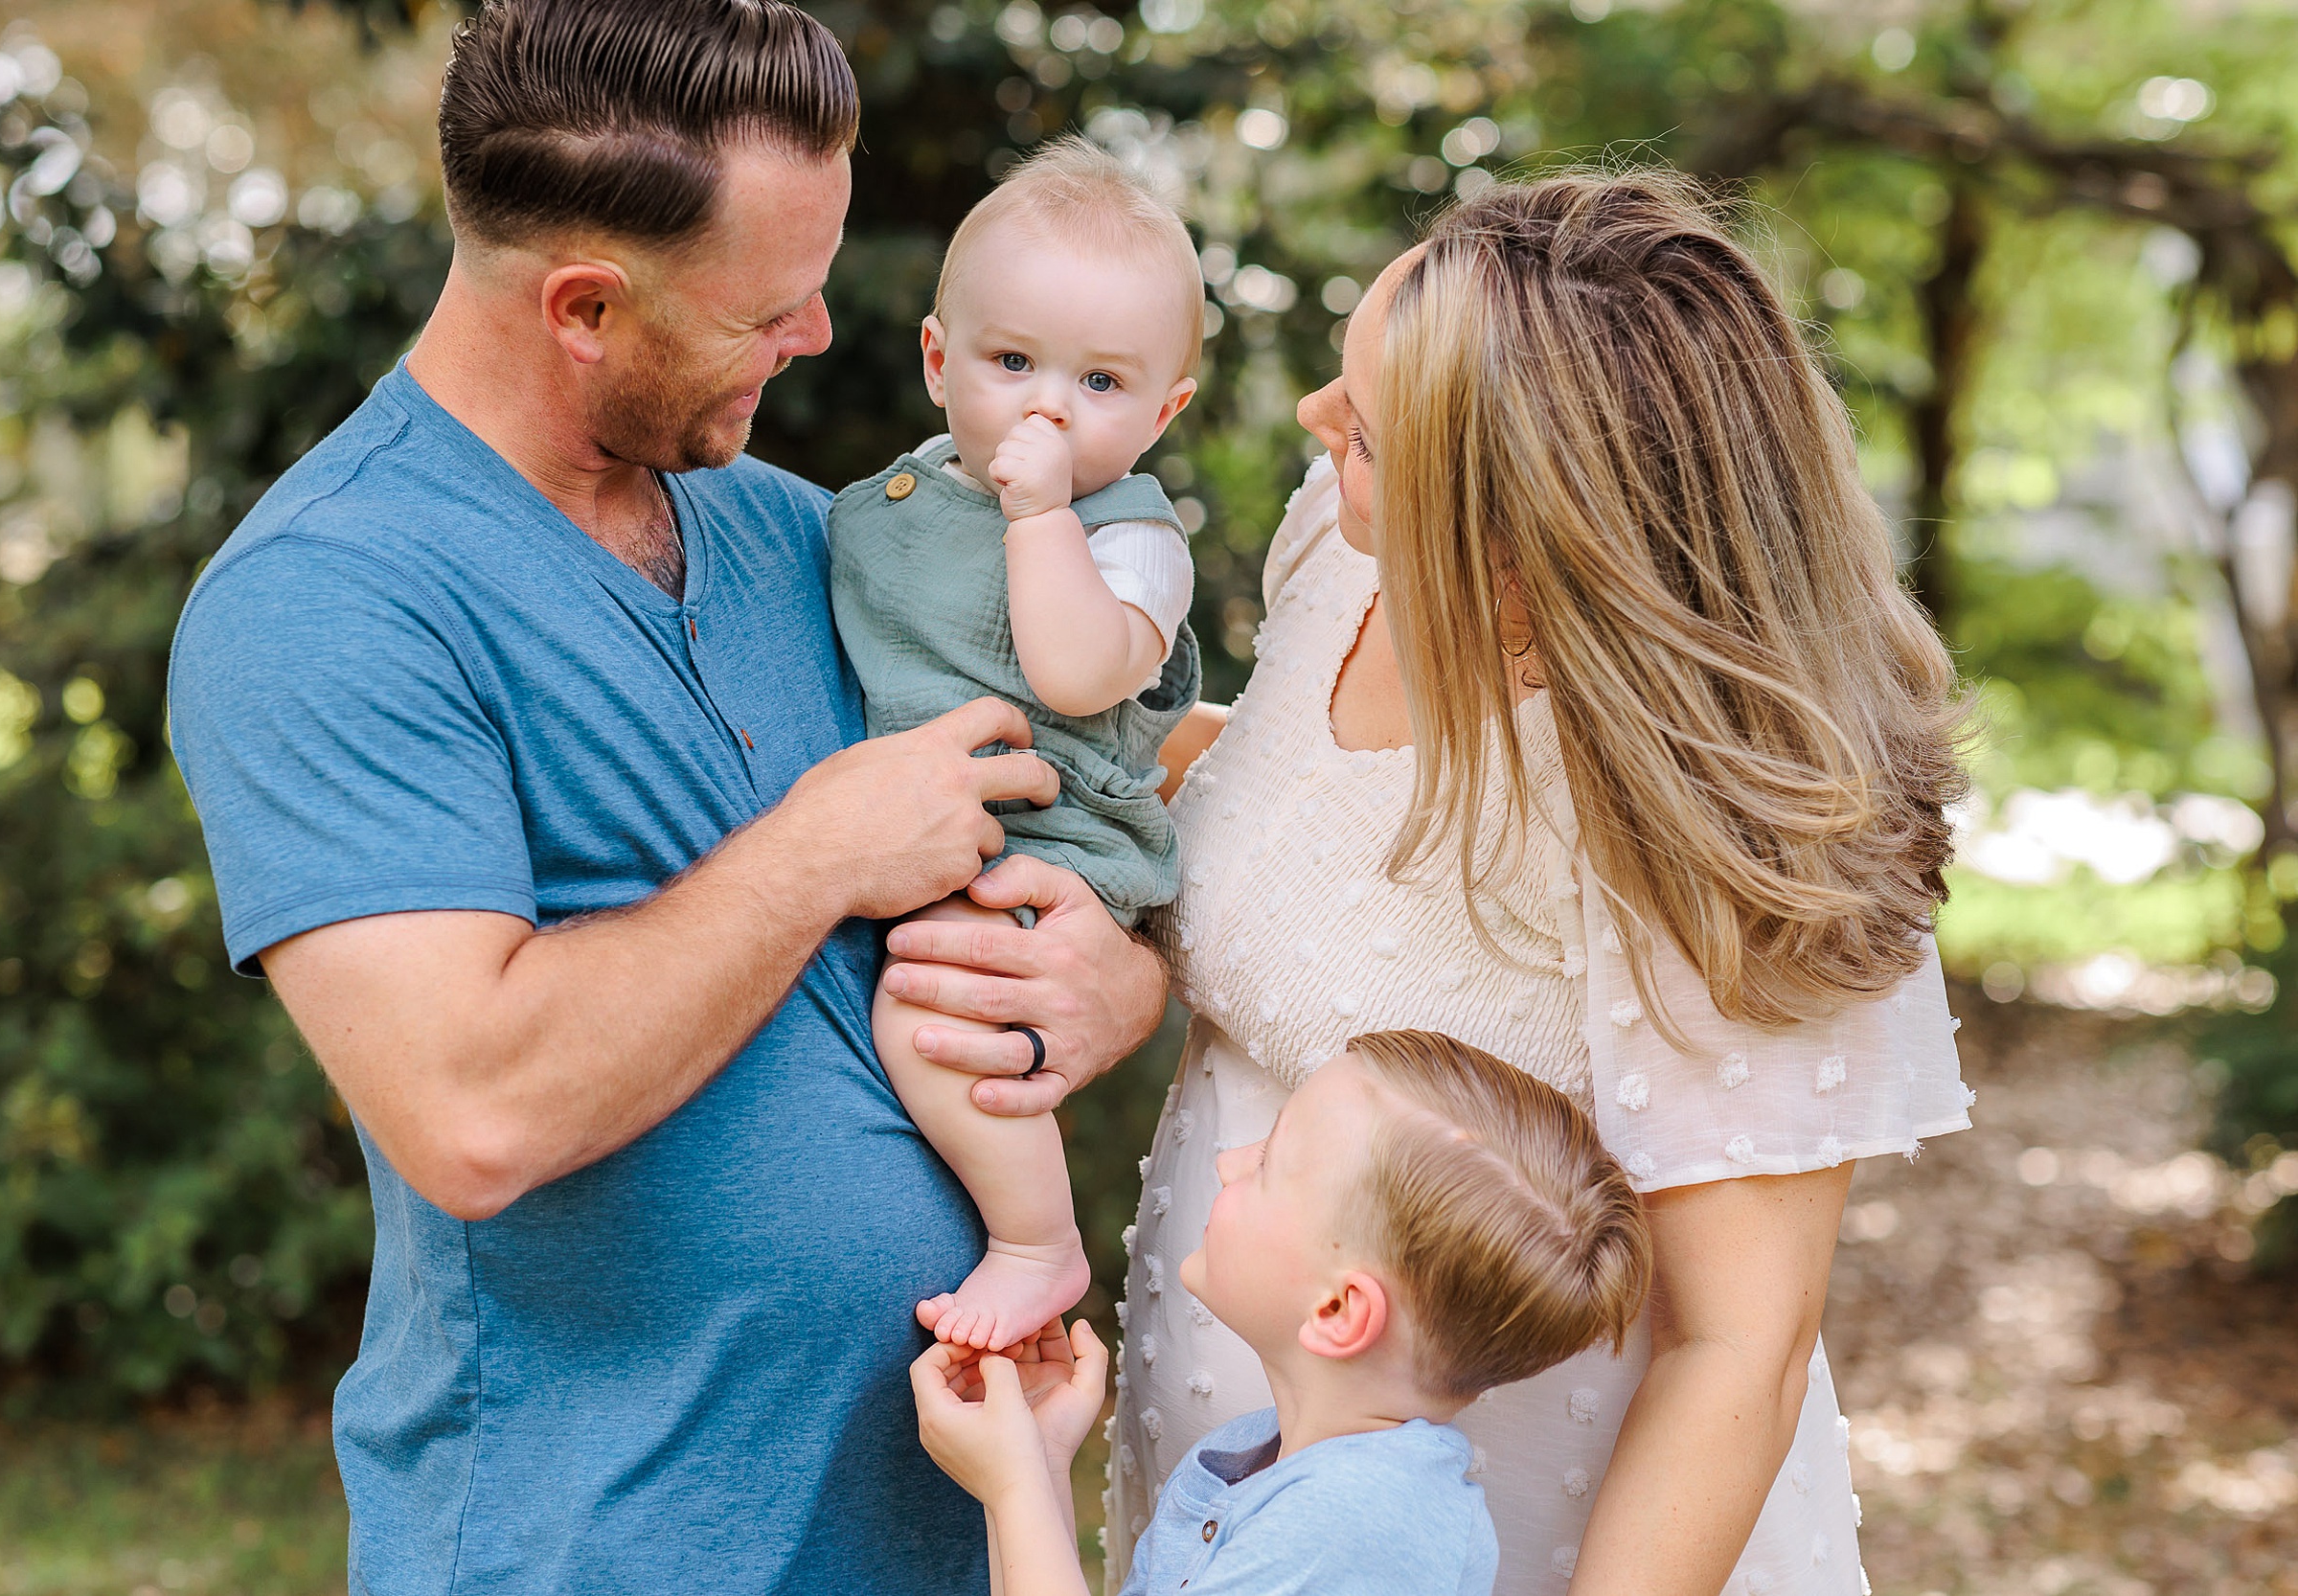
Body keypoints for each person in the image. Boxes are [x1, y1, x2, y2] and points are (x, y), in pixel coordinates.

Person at [165, 3, 1165, 1590]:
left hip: (936, 1526)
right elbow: (476, 1108)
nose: (822, 334)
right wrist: (816, 854)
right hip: (601, 1546)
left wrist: (1111, 975)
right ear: (584, 307)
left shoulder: (802, 534)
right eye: (771, 303)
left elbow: (1093, 781)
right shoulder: (328, 599)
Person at [1107, 171, 1976, 1596]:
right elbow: (1303, 809)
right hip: (1245, 1520)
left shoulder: (1716, 811)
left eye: (1370, 432)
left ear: (1521, 528)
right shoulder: (1346, 544)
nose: (1321, 429)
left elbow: (1734, 1352)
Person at [832, 137, 1204, 1354]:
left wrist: (1041, 513)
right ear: (940, 363)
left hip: (1052, 841)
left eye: (1101, 383)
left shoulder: (1131, 537)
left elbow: (1078, 667)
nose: (1047, 405)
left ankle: (1036, 1241)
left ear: (1165, 409)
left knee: (929, 1016)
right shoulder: (890, 501)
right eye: (1011, 362)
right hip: (937, 821)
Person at [913, 1031, 1651, 1596]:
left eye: (1269, 1163)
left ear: (1336, 1309)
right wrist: (1035, 1465)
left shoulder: (1351, 1525)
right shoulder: (1272, 1461)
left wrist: (1014, 1486)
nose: (1230, 1159)